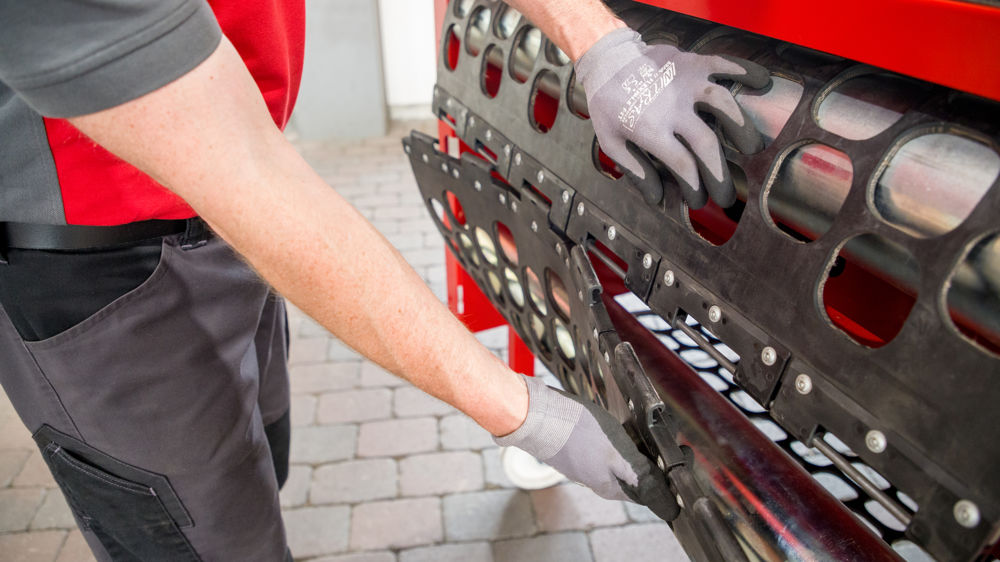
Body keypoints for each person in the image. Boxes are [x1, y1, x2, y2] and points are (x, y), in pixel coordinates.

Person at [0, 0, 766, 559]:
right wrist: (526, 413)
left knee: (260, 464)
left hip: (220, 214)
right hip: (95, 264)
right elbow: (256, 183)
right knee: (200, 543)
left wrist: (603, 49)